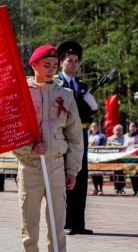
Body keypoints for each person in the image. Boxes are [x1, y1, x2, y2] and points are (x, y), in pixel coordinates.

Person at [13, 45, 83, 252]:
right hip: (30, 166)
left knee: (57, 223)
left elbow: (75, 136)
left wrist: (72, 170)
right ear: (33, 65)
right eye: (46, 65)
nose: (51, 69)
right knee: (30, 224)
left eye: (54, 65)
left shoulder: (66, 95)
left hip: (55, 166)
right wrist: (28, 149)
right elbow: (10, 131)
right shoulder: (21, 93)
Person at [57, 41, 97, 235]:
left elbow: (92, 111)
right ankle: (65, 223)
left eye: (75, 61)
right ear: (61, 63)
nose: (73, 64)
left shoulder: (82, 86)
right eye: (69, 60)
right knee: (64, 178)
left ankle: (78, 223)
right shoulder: (56, 84)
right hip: (61, 135)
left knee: (80, 178)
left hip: (79, 135)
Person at [123, 121, 138, 196]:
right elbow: (124, 146)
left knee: (137, 174)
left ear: (136, 127)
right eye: (131, 126)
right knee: (131, 174)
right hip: (128, 157)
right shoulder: (126, 136)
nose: (132, 128)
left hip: (136, 157)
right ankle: (135, 191)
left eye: (134, 126)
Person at [88, 122, 106, 195]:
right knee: (93, 174)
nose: (94, 128)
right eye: (93, 127)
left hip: (99, 157)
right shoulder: (88, 136)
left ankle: (100, 189)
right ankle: (95, 189)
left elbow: (103, 145)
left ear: (98, 128)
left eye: (95, 127)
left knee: (99, 174)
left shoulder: (101, 136)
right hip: (91, 158)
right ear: (90, 128)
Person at [107, 124, 125, 194]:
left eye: (119, 130)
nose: (118, 132)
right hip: (113, 159)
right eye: (116, 130)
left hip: (121, 159)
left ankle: (122, 188)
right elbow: (107, 147)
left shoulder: (124, 138)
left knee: (121, 174)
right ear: (113, 131)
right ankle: (116, 188)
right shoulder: (110, 138)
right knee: (114, 174)